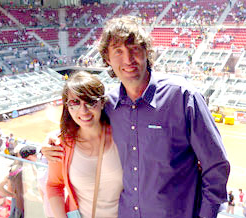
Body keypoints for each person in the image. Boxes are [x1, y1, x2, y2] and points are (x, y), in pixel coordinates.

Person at [43, 15, 230, 218]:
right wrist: (52, 140)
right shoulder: (110, 105)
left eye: (134, 49)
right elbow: (84, 122)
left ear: (146, 52)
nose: (128, 60)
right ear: (107, 58)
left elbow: (216, 165)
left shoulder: (183, 97)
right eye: (118, 51)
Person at [46, 71, 123, 218]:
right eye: (75, 103)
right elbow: (54, 185)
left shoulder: (123, 136)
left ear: (101, 103)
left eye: (90, 101)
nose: (83, 110)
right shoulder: (61, 144)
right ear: (67, 107)